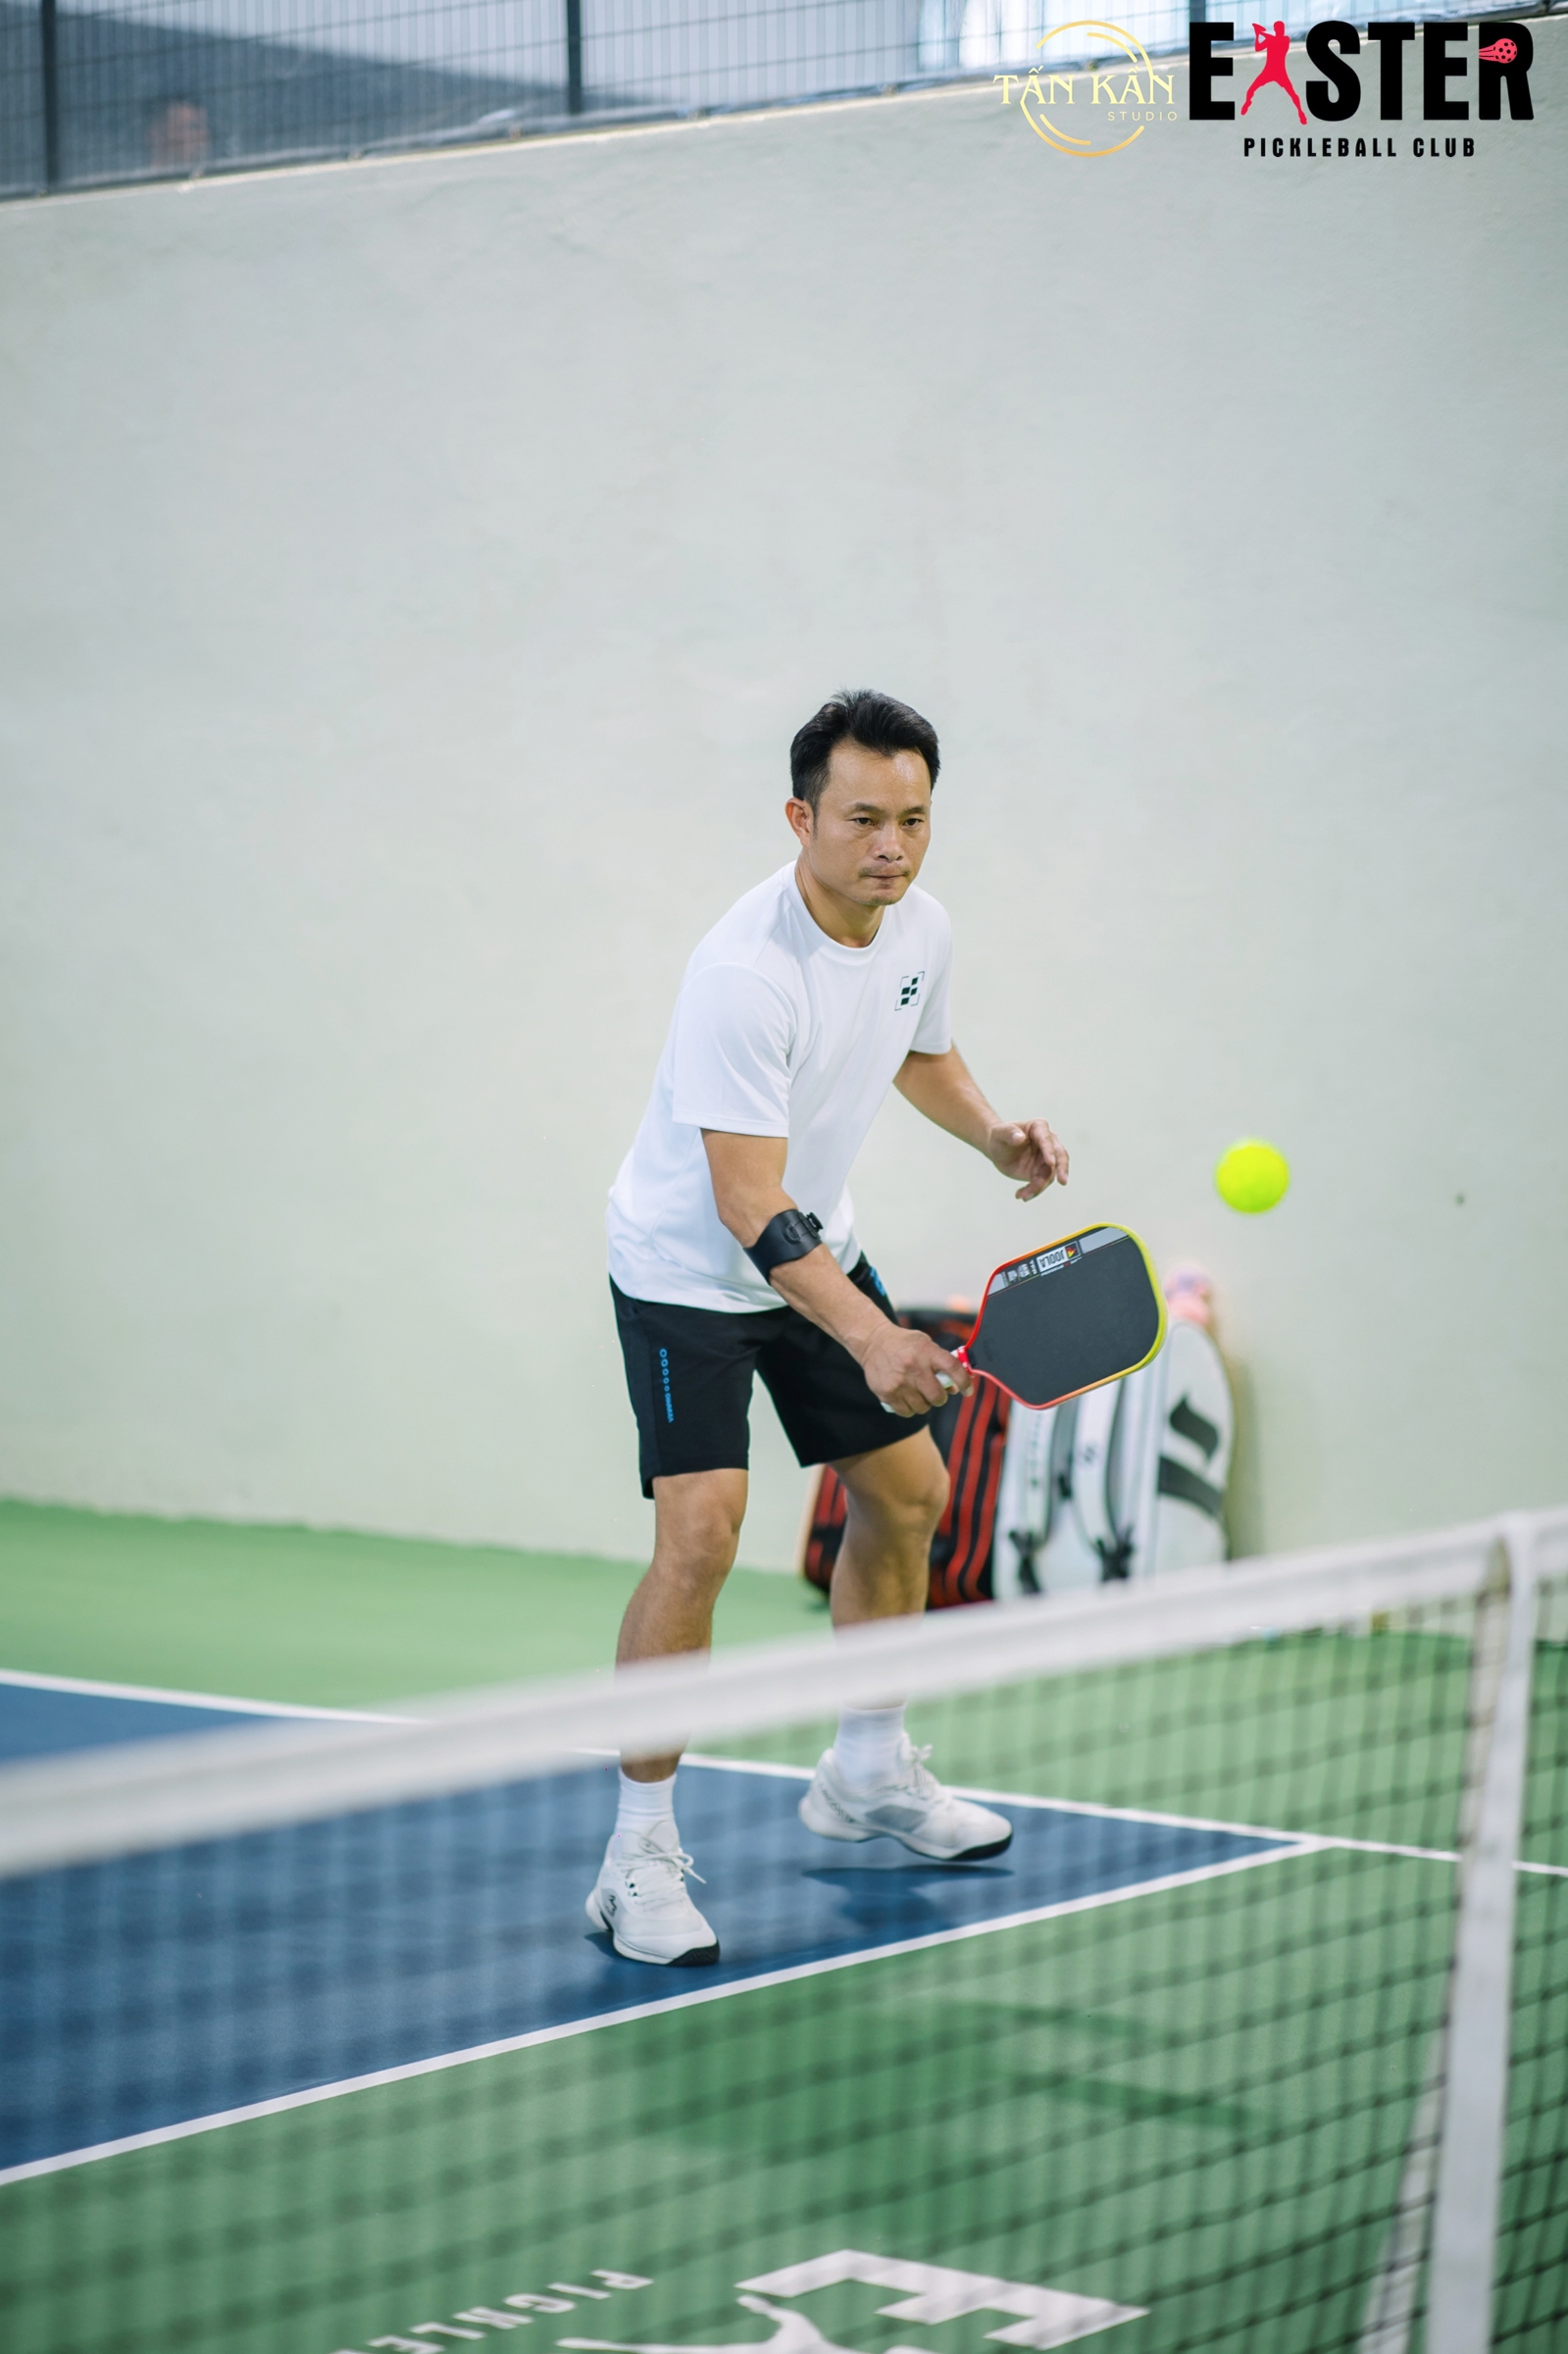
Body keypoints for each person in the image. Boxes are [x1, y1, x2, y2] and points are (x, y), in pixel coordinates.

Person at [590, 690, 1069, 1965]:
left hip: (815, 1243)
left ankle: (865, 1772)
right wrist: (870, 1337)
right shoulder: (742, 974)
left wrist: (991, 1135)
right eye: (862, 819)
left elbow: (919, 1048)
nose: (891, 847)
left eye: (913, 819)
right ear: (801, 819)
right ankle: (634, 1855)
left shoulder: (919, 925)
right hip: (690, 1271)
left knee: (906, 1494)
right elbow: (746, 1200)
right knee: (700, 1536)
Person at [1240, 22, 1307, 125]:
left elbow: (1276, 41)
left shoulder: (1285, 39)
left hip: (1280, 72)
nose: (1281, 30)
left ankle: (1300, 113)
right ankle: (1248, 102)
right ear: (1276, 30)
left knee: (1293, 94)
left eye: (1282, 28)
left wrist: (1260, 32)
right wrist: (1257, 35)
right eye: (1279, 29)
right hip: (1268, 71)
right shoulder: (1270, 40)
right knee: (1251, 90)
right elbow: (1258, 48)